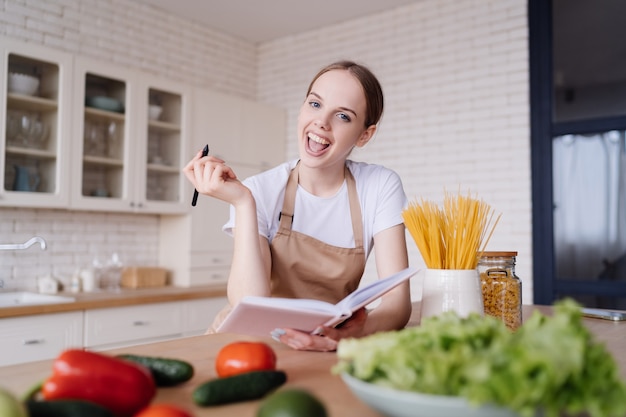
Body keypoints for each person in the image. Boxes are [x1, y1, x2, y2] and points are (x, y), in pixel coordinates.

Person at [184, 60, 411, 351]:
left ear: (364, 134)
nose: (321, 122)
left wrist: (345, 336)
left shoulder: (379, 187)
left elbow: (398, 304)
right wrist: (243, 203)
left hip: (320, 344)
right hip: (247, 345)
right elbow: (248, 304)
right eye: (315, 104)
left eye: (343, 116)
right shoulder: (259, 189)